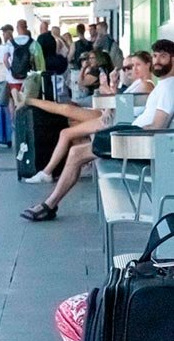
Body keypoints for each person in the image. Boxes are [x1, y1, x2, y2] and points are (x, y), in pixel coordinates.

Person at [20, 40, 174, 221]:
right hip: (134, 138)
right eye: (155, 56)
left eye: (163, 57)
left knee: (77, 152)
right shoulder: (165, 85)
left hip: (138, 144)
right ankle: (50, 203)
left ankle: (49, 204)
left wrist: (126, 134)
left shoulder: (169, 87)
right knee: (79, 146)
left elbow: (157, 126)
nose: (157, 61)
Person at [16, 52, 154, 185]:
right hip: (112, 117)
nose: (130, 70)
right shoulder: (137, 84)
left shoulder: (146, 85)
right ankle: (50, 171)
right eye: (127, 67)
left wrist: (108, 91)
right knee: (68, 126)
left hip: (115, 121)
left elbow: (121, 102)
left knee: (66, 115)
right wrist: (111, 85)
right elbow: (119, 100)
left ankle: (29, 101)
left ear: (148, 64)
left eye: (135, 66)